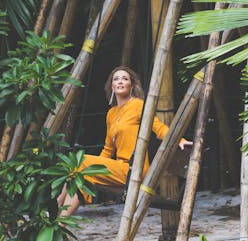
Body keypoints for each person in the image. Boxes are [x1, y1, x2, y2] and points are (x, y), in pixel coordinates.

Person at [57, 65, 192, 217]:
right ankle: (60, 214)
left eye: (125, 79)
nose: (120, 81)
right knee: (78, 166)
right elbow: (108, 149)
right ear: (112, 86)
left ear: (132, 85)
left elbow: (159, 128)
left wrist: (179, 139)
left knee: (80, 162)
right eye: (116, 79)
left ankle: (59, 215)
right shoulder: (111, 113)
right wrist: (93, 168)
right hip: (121, 169)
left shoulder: (138, 105)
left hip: (135, 170)